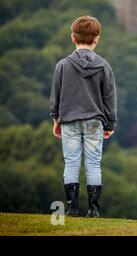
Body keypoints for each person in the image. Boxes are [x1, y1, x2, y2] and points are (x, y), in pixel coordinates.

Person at [49, 15, 117, 218]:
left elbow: (56, 95)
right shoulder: (104, 66)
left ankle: (71, 209)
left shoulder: (62, 65)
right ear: (97, 39)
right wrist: (110, 123)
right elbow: (109, 97)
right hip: (95, 122)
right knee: (93, 164)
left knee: (71, 163)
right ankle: (94, 210)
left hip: (69, 120)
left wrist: (56, 119)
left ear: (72, 37)